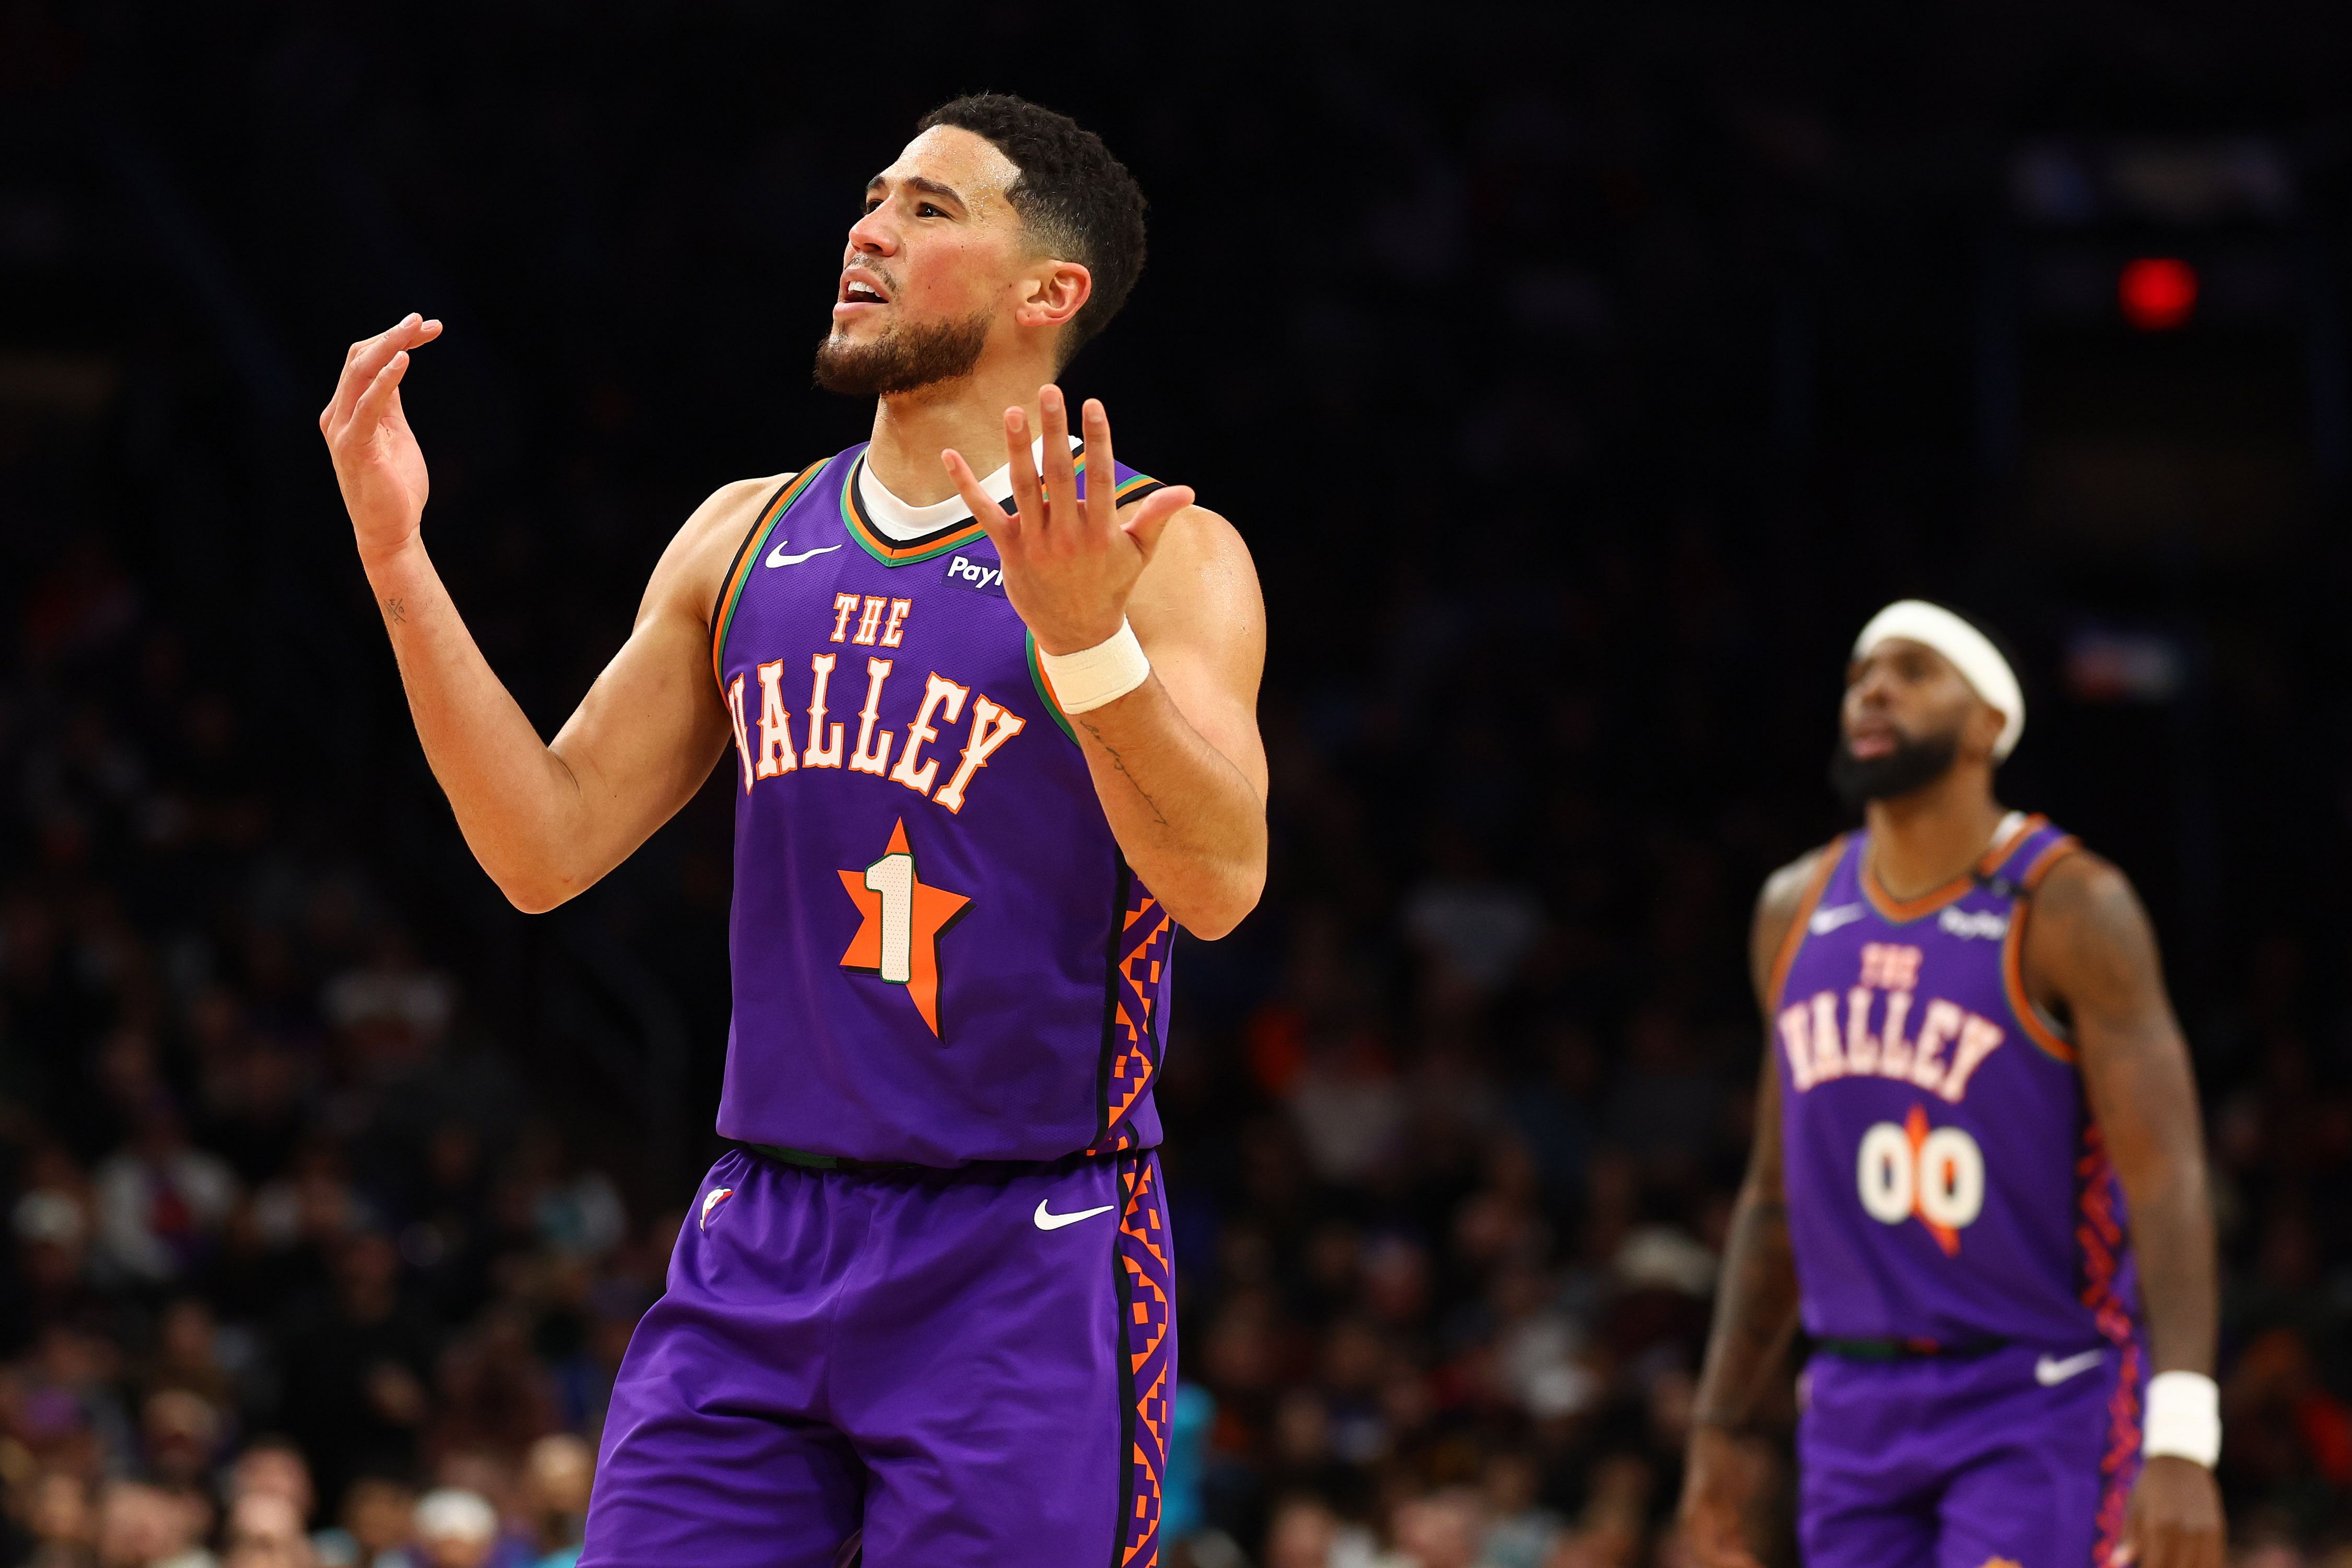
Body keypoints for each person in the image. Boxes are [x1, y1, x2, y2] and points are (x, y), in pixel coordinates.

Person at [319, 93, 1267, 1568]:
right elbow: (539, 844)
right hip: (759, 1232)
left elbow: (1220, 880)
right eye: (872, 196)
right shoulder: (745, 533)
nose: (868, 228)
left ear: (1051, 292)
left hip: (1021, 1249)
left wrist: (1090, 653)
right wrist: (397, 559)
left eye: (930, 209)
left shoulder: (1162, 552)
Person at [1679, 602, 2225, 1568]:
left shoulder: (2068, 904)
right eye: (1860, 674)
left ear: (1989, 726)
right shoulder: (1794, 909)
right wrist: (1721, 1421)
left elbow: (2168, 1176)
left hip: (2038, 1395)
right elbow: (1775, 1196)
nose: (1874, 691)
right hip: (1853, 1402)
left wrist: (2183, 1430)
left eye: (1914, 670)